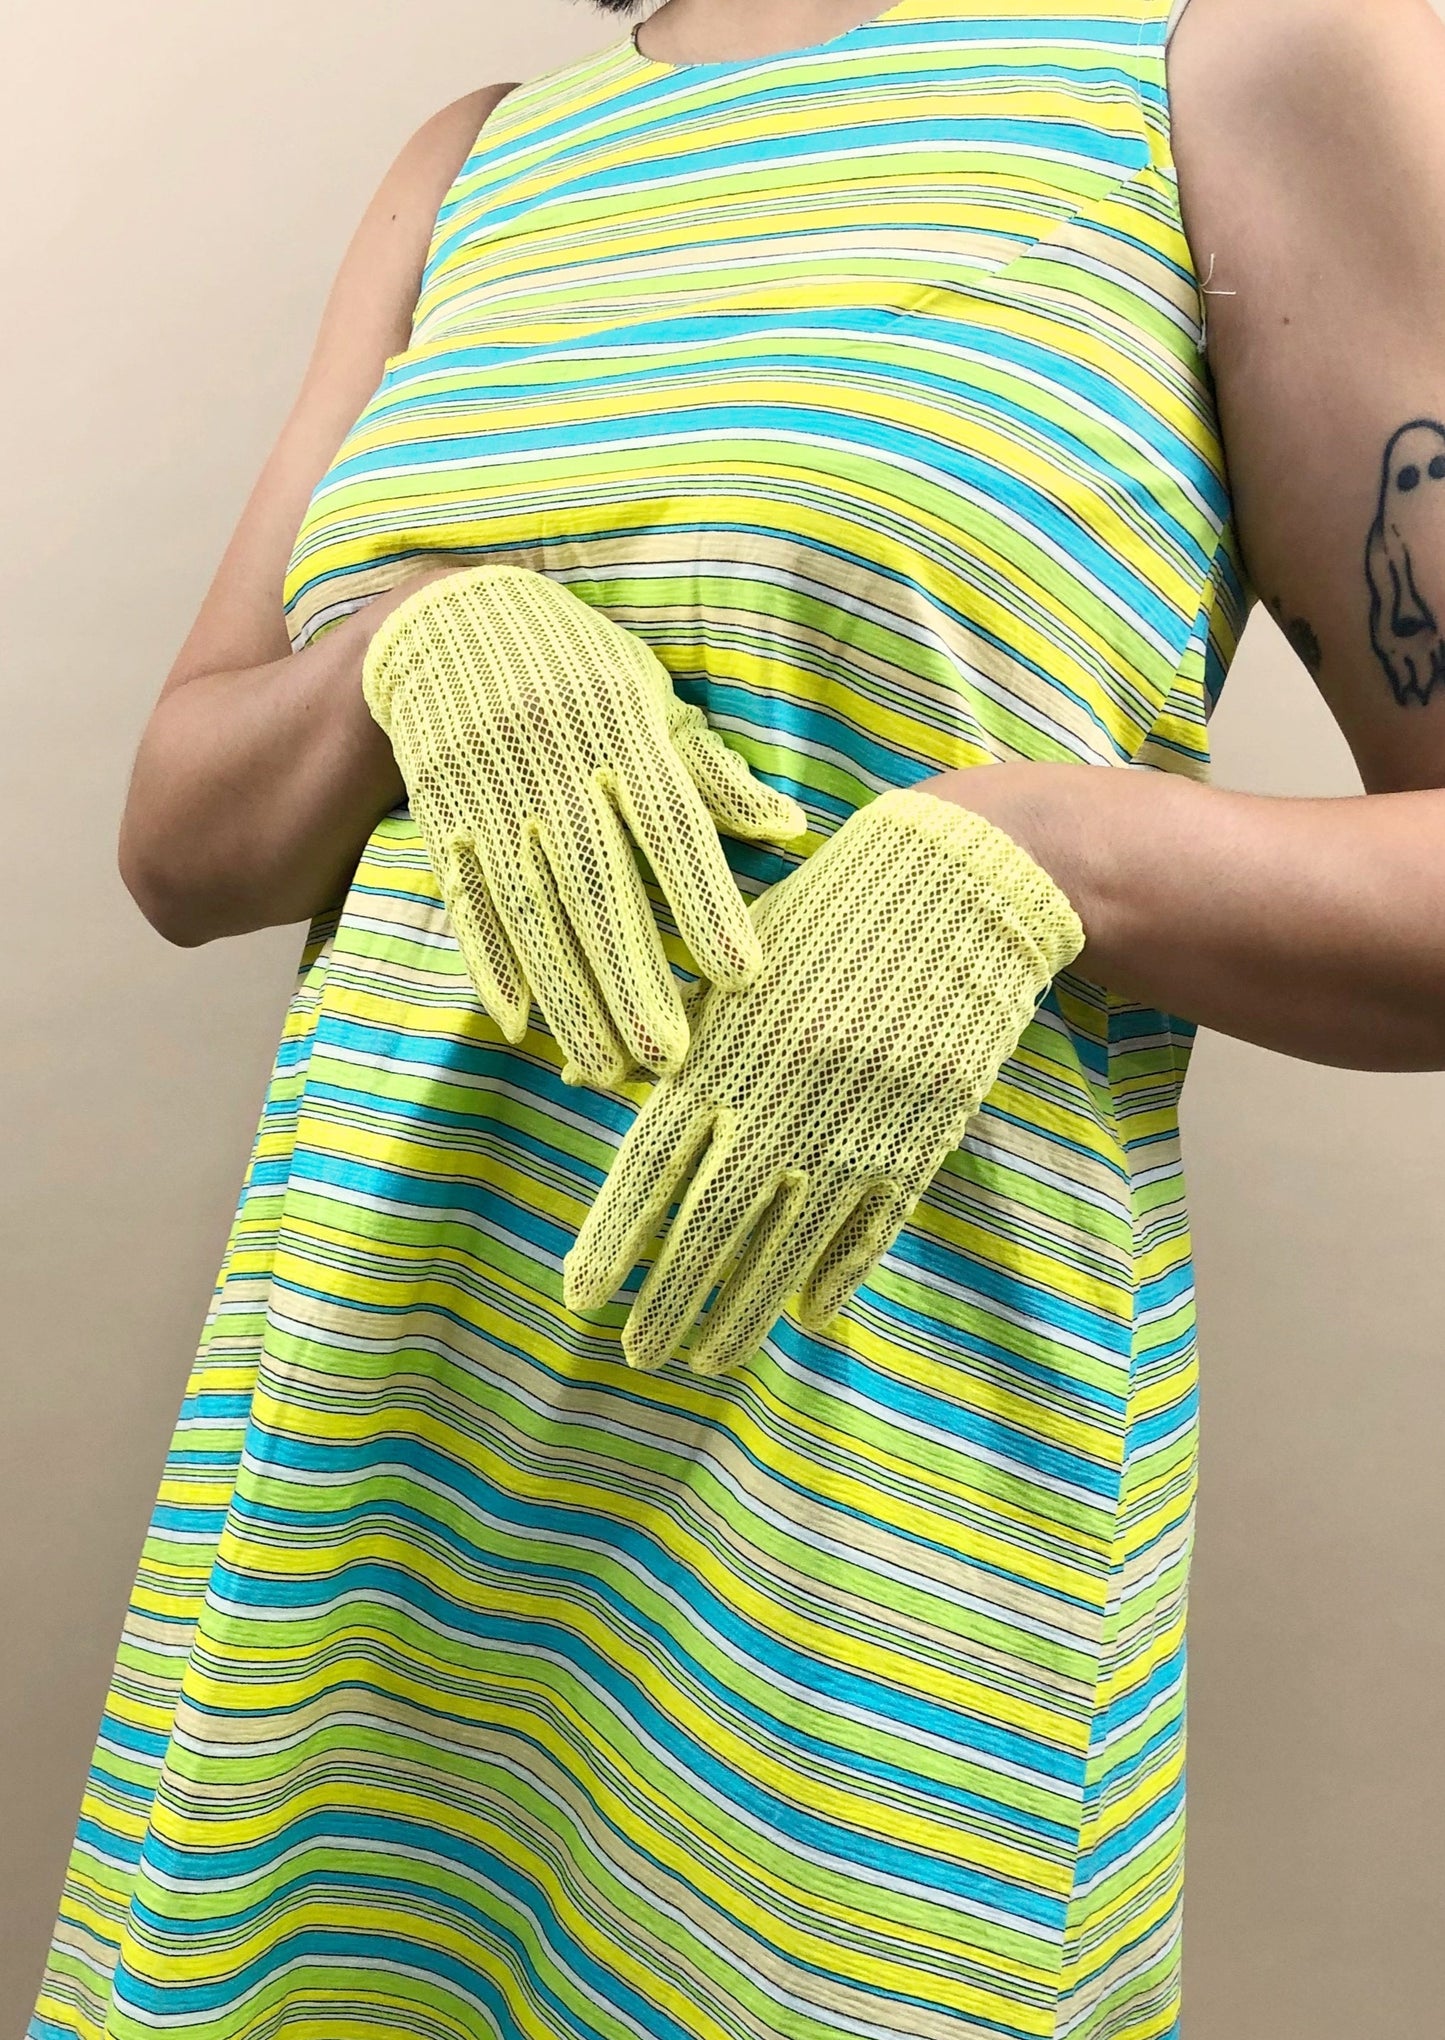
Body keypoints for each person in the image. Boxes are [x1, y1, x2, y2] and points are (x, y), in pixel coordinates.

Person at [30, 1, 1445, 2035]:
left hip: (858, 1569)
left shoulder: (1224, 68)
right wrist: (409, 647)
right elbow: (181, 836)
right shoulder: (477, 163)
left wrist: (1067, 853)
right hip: (355, 1502)